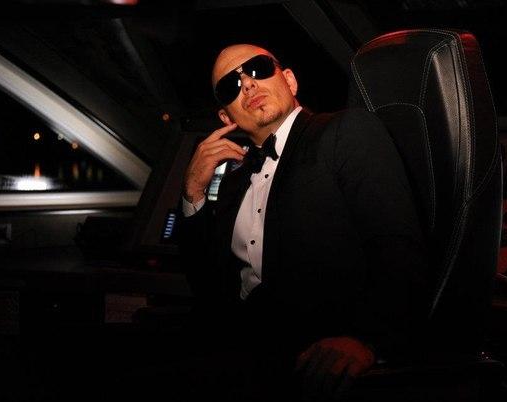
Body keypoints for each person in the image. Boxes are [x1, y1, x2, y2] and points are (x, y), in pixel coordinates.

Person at [176, 43, 429, 401]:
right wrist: (193, 191)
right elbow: (209, 286)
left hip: (314, 363)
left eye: (258, 68)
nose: (247, 84)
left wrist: (366, 340)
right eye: (230, 86)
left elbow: (397, 246)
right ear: (226, 117)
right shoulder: (233, 181)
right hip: (238, 357)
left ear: (290, 81)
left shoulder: (345, 131)